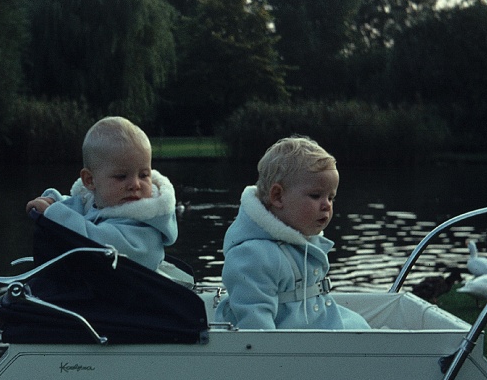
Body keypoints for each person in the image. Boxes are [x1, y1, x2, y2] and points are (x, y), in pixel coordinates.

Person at [215, 135, 370, 330]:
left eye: (331, 198)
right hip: (289, 346)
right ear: (278, 196)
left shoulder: (302, 243)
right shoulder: (253, 255)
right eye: (316, 195)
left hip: (318, 326)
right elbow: (254, 324)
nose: (326, 205)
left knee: (365, 330)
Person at [25, 116, 187, 281]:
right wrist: (55, 202)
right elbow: (82, 208)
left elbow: (94, 242)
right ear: (90, 181)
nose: (135, 185)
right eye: (121, 176)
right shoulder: (100, 201)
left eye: (144, 175)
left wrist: (55, 214)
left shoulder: (144, 228)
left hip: (132, 299)